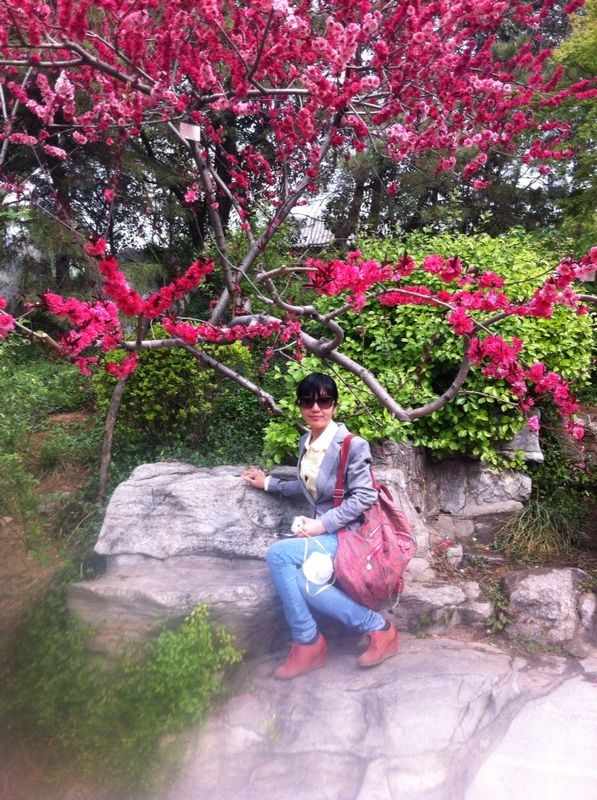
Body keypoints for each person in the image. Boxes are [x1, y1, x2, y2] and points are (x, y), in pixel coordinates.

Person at [243, 372, 398, 680]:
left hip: (349, 535)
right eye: (308, 401)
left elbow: (365, 495)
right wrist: (269, 483)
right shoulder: (306, 442)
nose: (316, 408)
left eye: (324, 401)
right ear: (300, 406)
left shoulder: (352, 445)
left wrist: (321, 525)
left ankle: (307, 641)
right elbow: (308, 487)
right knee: (303, 581)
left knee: (279, 555)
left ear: (335, 406)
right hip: (327, 534)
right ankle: (378, 628)